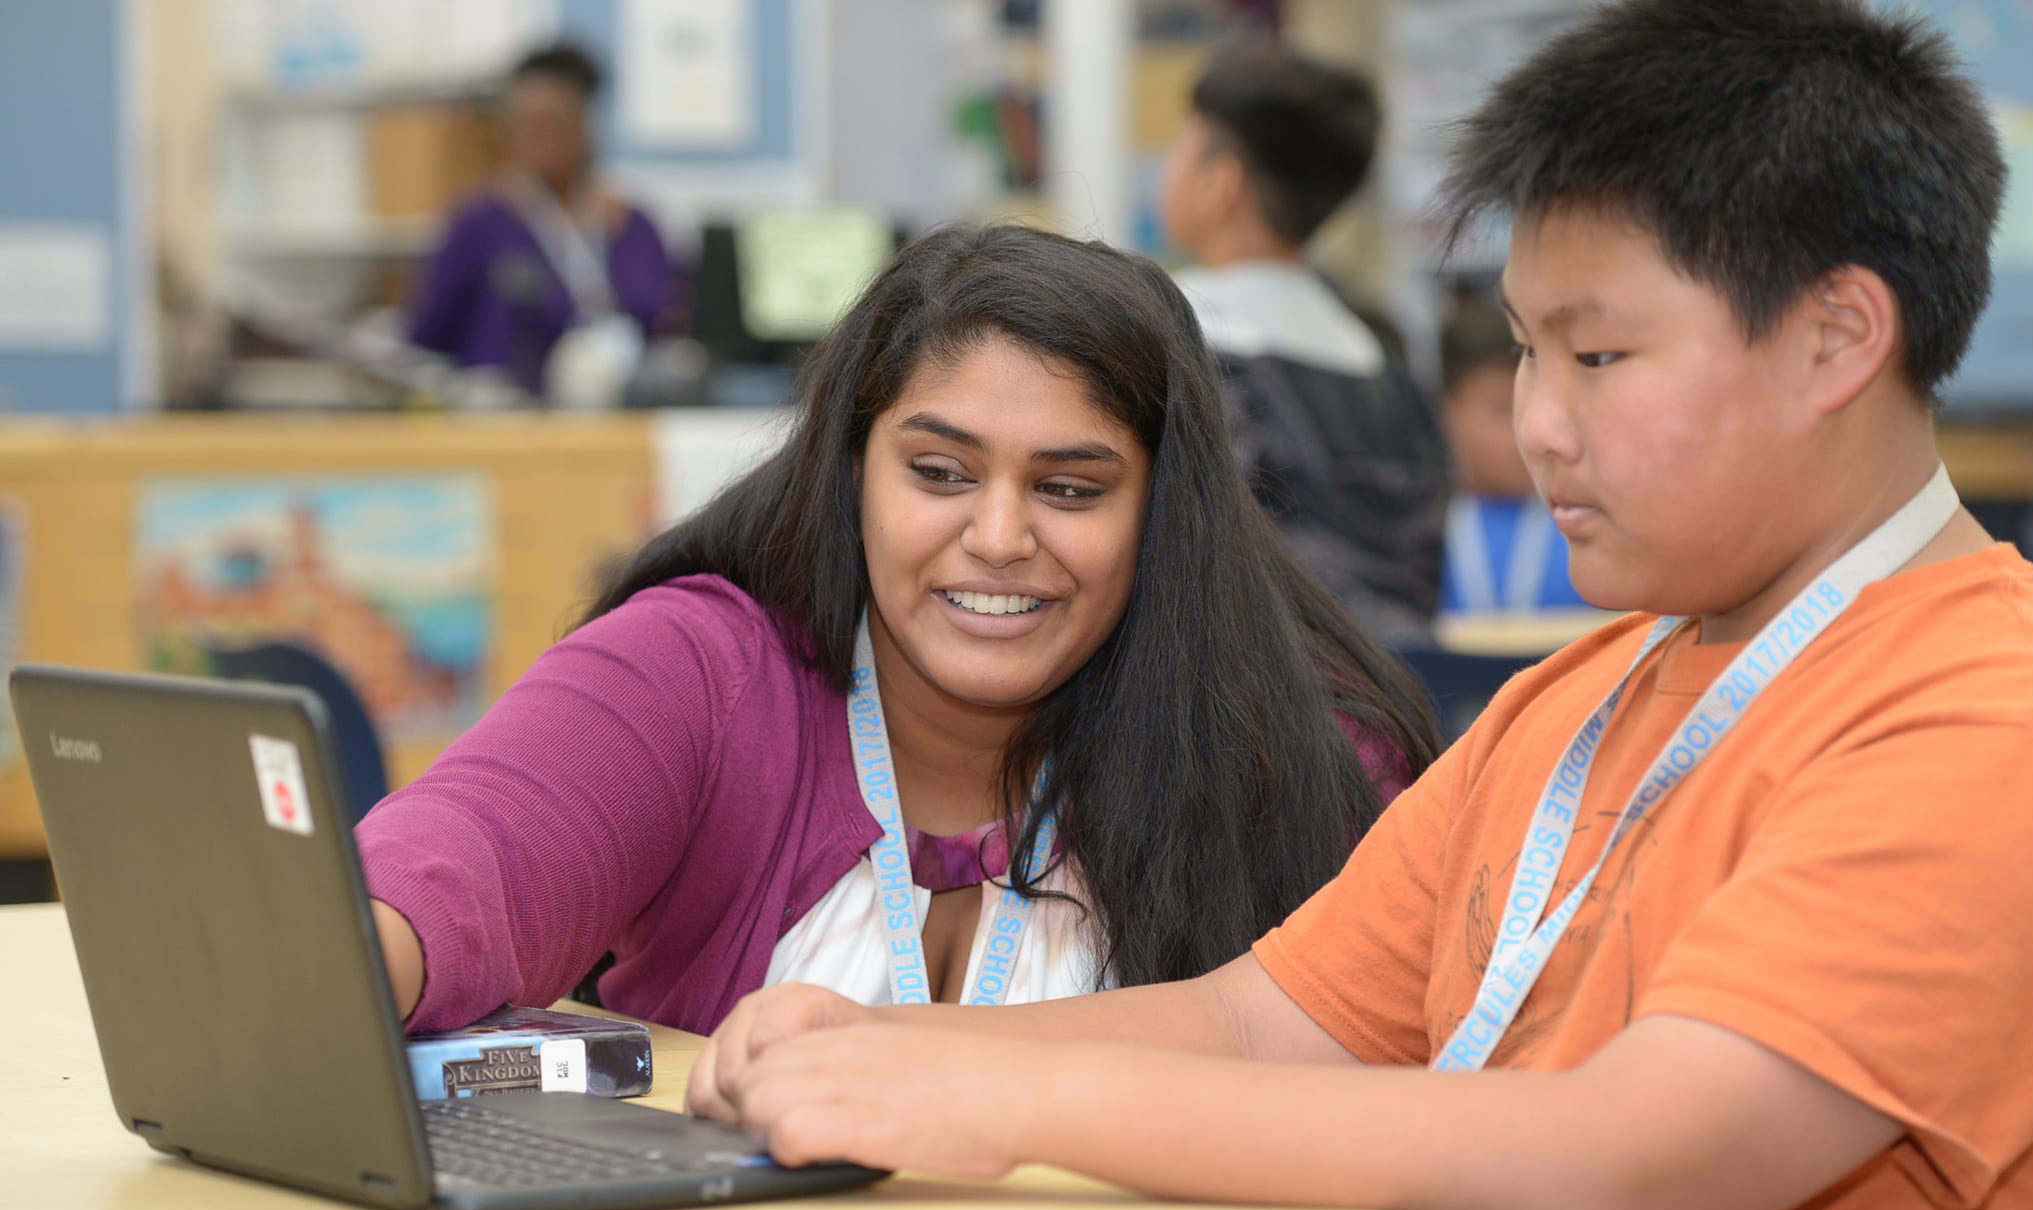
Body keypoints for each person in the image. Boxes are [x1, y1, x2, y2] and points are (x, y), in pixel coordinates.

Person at [685, 4, 2033, 1210]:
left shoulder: (1995, 739)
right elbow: (1263, 1025)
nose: (1539, 424)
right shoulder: (1589, 694)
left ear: (1837, 337)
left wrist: (1015, 1112)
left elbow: (1626, 1165)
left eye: (1601, 355)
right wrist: (903, 1051)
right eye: (1523, 353)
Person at [359, 222, 1439, 1038]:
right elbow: (465, 859)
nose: (1000, 535)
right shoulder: (702, 668)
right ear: (852, 471)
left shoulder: (1306, 759)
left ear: (1164, 514)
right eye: (938, 472)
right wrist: (346, 950)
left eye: (1069, 488)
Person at [1158, 44, 1452, 646]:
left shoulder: (1174, 335)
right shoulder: (1390, 370)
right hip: (1398, 709)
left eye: (1178, 150)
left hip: (1240, 713)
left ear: (1220, 185)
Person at [404, 41, 677, 403]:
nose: (541, 139)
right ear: (505, 132)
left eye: (555, 124)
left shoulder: (636, 226)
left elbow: (670, 325)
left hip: (623, 420)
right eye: (526, 125)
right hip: (504, 425)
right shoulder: (477, 224)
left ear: (585, 126)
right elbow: (426, 338)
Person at [1435, 299, 1585, 614]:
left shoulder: (1585, 528)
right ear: (1446, 413)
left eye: (1538, 405)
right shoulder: (1417, 535)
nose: (1526, 430)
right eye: (1501, 410)